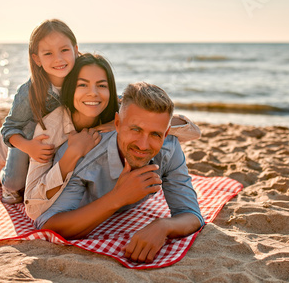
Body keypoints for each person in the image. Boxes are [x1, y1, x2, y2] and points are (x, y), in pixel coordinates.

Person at [34, 82, 204, 263]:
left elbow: (191, 214)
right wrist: (118, 198)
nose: (143, 145)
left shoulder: (169, 148)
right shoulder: (85, 156)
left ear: (166, 132)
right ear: (117, 123)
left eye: (155, 134)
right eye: (136, 129)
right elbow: (48, 224)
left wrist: (164, 226)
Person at [24, 55, 201, 220]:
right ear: (71, 88)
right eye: (82, 84)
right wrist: (73, 153)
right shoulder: (50, 127)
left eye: (101, 85)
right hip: (28, 145)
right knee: (13, 182)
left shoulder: (118, 107)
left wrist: (140, 126)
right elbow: (33, 209)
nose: (93, 93)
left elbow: (194, 132)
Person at [0, 18, 84, 203]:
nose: (58, 58)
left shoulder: (84, 80)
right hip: (12, 145)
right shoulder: (30, 91)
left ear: (75, 49)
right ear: (37, 59)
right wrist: (28, 147)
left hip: (35, 145)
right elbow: (10, 129)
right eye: (48, 53)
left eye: (64, 50)